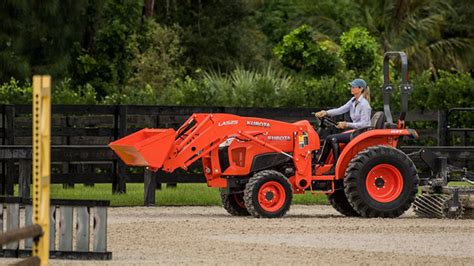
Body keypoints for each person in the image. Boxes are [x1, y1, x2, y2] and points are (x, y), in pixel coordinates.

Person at [314, 78, 372, 174]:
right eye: (351, 86)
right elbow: (340, 110)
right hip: (357, 131)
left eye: (353, 87)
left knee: (333, 139)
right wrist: (325, 112)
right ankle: (319, 164)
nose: (351, 88)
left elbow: (364, 124)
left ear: (360, 89)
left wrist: (346, 124)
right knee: (329, 138)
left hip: (362, 133)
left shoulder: (364, 105)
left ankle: (336, 167)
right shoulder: (353, 101)